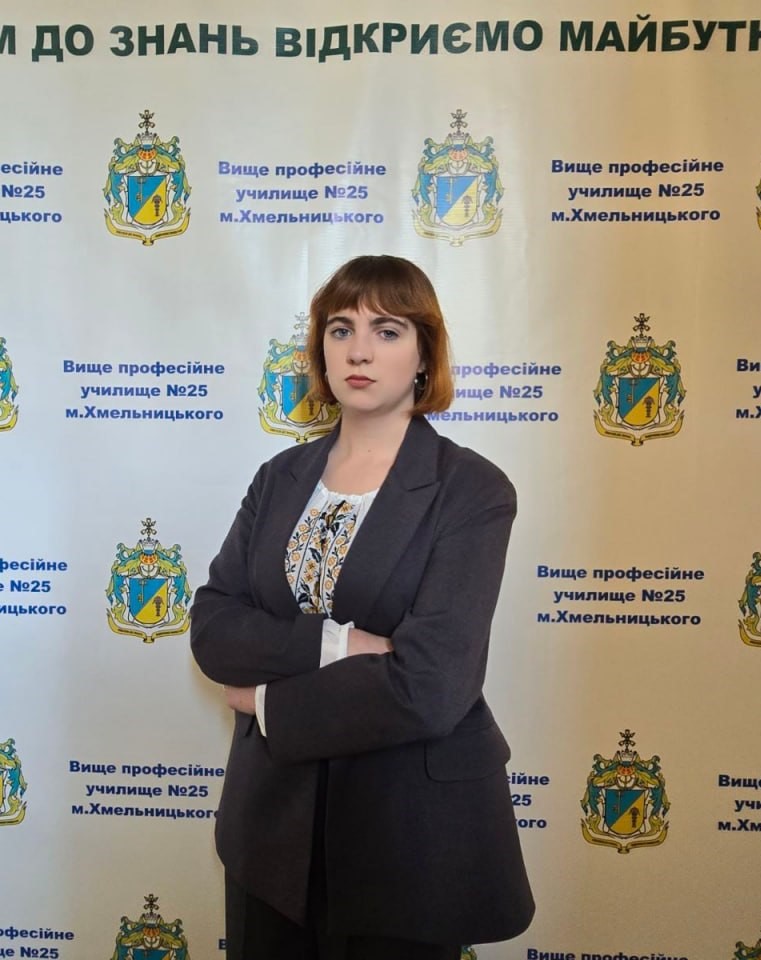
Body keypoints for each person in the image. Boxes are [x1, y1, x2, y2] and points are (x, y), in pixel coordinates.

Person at [190, 255, 534, 960]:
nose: (359, 351)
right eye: (341, 329)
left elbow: (431, 685)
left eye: (387, 330)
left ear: (424, 354)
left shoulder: (471, 490)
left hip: (407, 831)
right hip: (270, 830)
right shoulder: (279, 477)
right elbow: (215, 628)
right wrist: (338, 645)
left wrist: (266, 701)